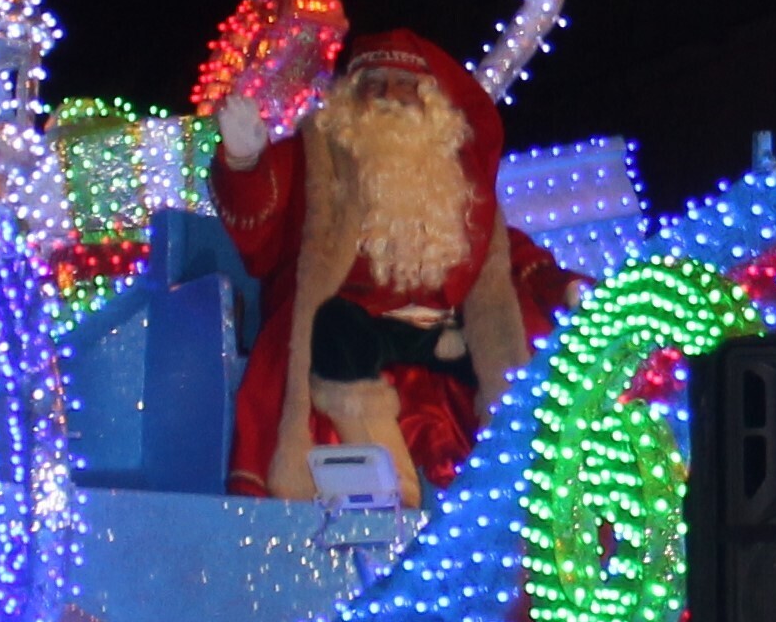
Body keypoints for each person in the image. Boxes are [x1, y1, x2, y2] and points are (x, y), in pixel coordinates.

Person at [213, 26, 574, 503]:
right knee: (336, 331)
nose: (389, 97)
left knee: (516, 335)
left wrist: (561, 286)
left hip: (435, 324)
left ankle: (520, 483)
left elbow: (507, 253)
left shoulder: (454, 176)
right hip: (352, 320)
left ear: (431, 101)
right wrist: (243, 162)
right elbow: (262, 219)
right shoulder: (315, 156)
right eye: (373, 85)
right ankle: (386, 486)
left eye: (405, 86)